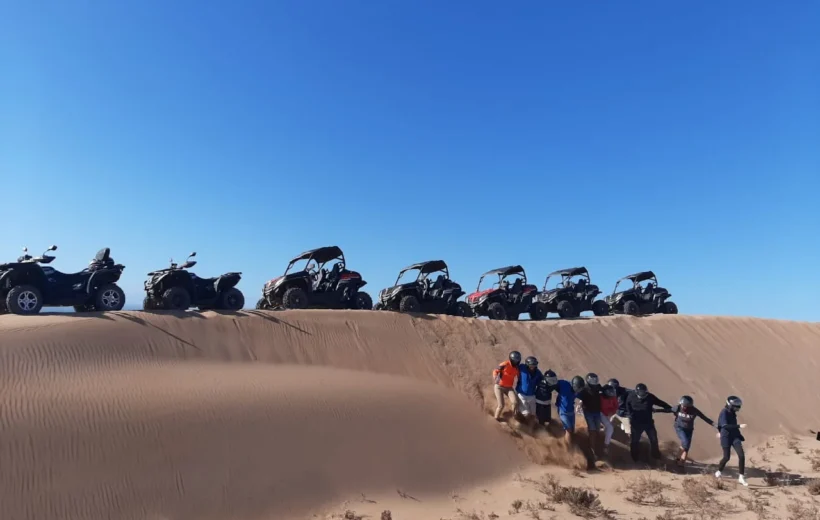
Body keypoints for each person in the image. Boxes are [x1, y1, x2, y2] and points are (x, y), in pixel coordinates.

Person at [625, 383, 672, 462]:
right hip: (636, 424)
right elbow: (627, 404)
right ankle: (634, 459)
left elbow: (660, 403)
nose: (642, 393)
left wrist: (669, 408)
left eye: (644, 391)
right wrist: (630, 414)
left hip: (648, 423)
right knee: (634, 441)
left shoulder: (650, 397)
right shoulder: (631, 396)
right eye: (641, 392)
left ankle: (656, 457)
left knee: (654, 440)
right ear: (636, 392)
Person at [671, 395, 716, 466]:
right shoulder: (678, 407)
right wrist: (656, 410)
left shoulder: (694, 410)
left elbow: (705, 418)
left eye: (686, 406)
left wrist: (715, 425)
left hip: (689, 430)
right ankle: (677, 459)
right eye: (683, 405)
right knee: (685, 442)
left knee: (686, 447)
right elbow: (667, 410)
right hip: (679, 428)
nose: (684, 407)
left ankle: (681, 463)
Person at [715, 396, 748, 486]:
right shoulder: (724, 412)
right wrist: (739, 426)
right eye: (736, 406)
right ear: (730, 405)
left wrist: (739, 435)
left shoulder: (732, 413)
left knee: (741, 455)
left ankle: (741, 477)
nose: (737, 408)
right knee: (726, 457)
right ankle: (719, 471)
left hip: (735, 437)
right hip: (726, 437)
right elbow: (724, 425)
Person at [576, 373, 604, 458]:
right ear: (588, 380)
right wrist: (579, 405)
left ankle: (597, 449)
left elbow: (605, 393)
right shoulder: (585, 389)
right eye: (592, 380)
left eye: (595, 379)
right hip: (588, 412)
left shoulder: (599, 387)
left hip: (597, 412)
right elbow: (580, 398)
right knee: (592, 431)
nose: (594, 381)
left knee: (597, 431)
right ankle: (592, 451)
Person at [492, 351, 521, 421]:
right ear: (511, 359)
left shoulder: (517, 368)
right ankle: (496, 419)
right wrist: (495, 377)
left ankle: (515, 417)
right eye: (515, 360)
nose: (516, 362)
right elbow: (495, 370)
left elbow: (519, 377)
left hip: (509, 388)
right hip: (499, 387)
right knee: (501, 405)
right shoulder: (505, 364)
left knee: (515, 402)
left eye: (517, 360)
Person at [554, 375, 584, 441]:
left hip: (571, 412)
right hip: (563, 411)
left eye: (580, 389)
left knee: (572, 430)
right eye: (578, 388)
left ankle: (567, 441)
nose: (579, 391)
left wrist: (581, 403)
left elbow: (584, 397)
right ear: (574, 385)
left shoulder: (577, 391)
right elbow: (553, 382)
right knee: (569, 430)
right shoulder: (564, 384)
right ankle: (568, 448)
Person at [516, 356, 543, 424]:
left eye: (534, 365)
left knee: (533, 414)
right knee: (526, 413)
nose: (533, 366)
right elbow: (512, 366)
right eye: (531, 365)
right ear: (527, 364)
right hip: (521, 394)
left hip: (532, 395)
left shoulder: (538, 372)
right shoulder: (522, 368)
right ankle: (524, 426)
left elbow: (542, 381)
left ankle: (533, 427)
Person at [600, 383, 619, 456]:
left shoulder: (613, 398)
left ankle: (606, 446)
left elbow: (616, 406)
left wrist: (612, 412)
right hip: (597, 413)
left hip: (606, 415)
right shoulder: (599, 396)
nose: (611, 394)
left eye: (612, 392)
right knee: (609, 427)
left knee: (609, 428)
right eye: (609, 392)